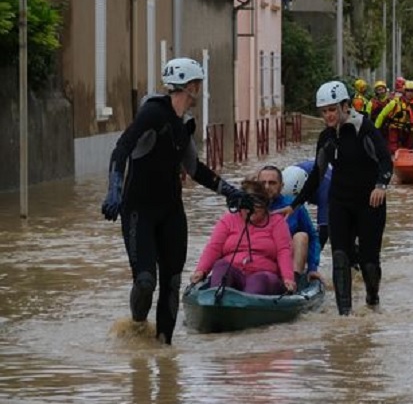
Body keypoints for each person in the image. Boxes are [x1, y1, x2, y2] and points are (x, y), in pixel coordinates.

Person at [100, 57, 243, 345]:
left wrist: (230, 191)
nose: (199, 90)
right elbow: (121, 148)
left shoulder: (183, 125)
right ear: (191, 86)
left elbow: (195, 168)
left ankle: (164, 349)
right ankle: (138, 325)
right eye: (198, 84)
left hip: (171, 212)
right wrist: (114, 188)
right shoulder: (153, 113)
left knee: (172, 281)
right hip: (139, 210)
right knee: (145, 282)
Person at [281, 81, 393, 316]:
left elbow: (385, 160)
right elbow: (317, 174)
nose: (328, 116)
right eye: (323, 112)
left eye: (332, 109)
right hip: (340, 202)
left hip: (370, 203)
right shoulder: (326, 137)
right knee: (340, 257)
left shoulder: (365, 128)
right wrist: (294, 204)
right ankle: (344, 316)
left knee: (369, 261)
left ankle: (373, 301)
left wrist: (381, 185)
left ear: (345, 106)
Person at [189, 178, 296, 296]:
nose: (251, 210)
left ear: (265, 205)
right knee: (221, 267)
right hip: (234, 272)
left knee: (258, 281)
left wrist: (288, 278)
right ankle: (216, 298)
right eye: (247, 206)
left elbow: (283, 251)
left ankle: (248, 302)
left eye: (257, 205)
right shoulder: (228, 220)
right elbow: (214, 247)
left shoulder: (276, 222)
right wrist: (201, 270)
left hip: (263, 274)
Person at [257, 165, 321, 286]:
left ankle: (295, 281)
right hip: (260, 256)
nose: (266, 187)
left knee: (301, 236)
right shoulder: (249, 207)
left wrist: (313, 267)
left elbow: (313, 237)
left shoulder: (293, 206)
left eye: (272, 183)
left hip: (287, 259)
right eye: (262, 183)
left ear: (281, 186)